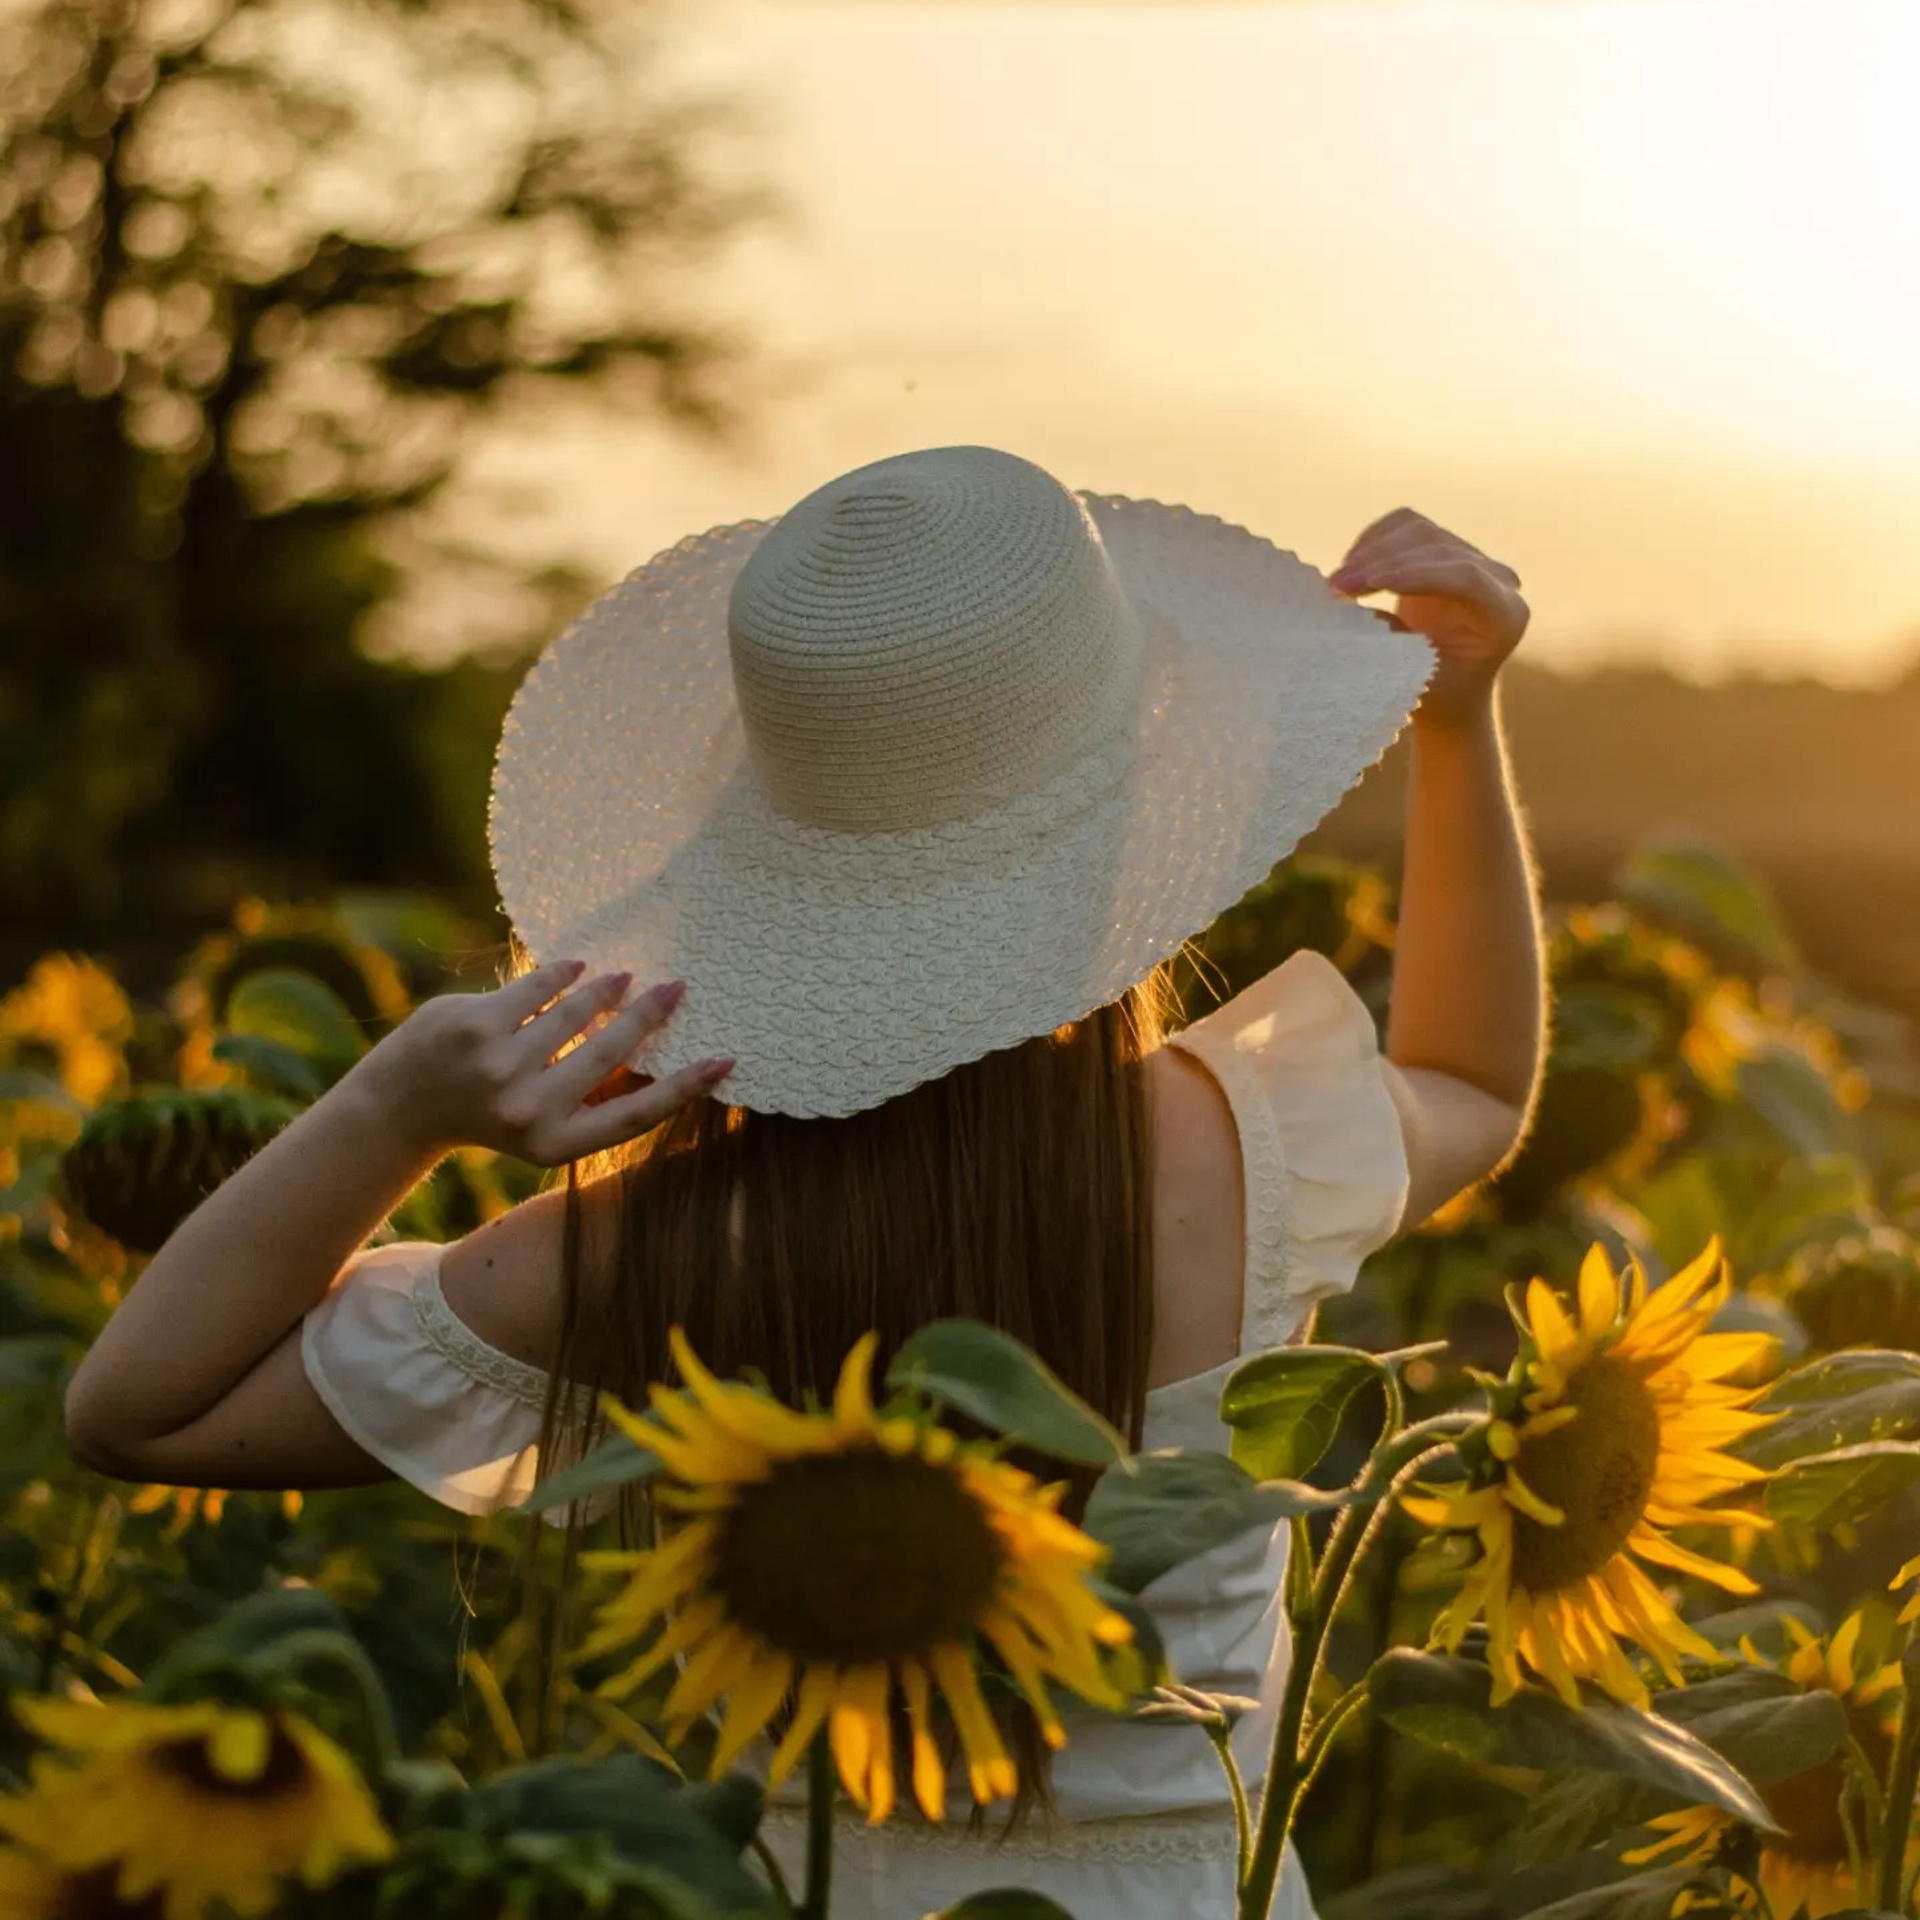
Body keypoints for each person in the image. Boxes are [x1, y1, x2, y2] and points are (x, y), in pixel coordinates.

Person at [62, 446, 1543, 1919]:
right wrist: (1457, 723)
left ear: (757, 867)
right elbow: (1477, 1082)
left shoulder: (648, 1252)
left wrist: (395, 1108)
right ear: (1136, 833)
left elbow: (141, 1410)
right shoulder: (1250, 1149)